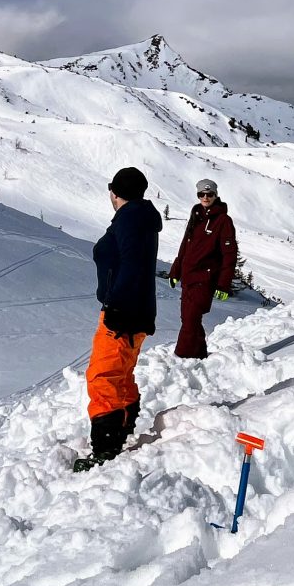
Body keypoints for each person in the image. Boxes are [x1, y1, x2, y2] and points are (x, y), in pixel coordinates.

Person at [79, 165, 162, 470]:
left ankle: (106, 449)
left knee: (102, 375)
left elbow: (130, 264)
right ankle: (122, 428)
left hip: (123, 312)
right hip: (135, 309)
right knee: (120, 373)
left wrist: (118, 308)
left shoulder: (130, 219)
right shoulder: (140, 218)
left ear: (116, 193)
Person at [167, 177, 237, 359]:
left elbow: (229, 254)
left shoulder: (223, 220)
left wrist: (223, 284)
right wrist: (176, 271)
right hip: (188, 277)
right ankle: (199, 355)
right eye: (201, 194)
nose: (205, 197)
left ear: (216, 195)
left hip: (205, 279)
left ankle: (182, 357)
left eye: (209, 194)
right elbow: (185, 246)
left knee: (190, 320)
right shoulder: (196, 215)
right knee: (188, 319)